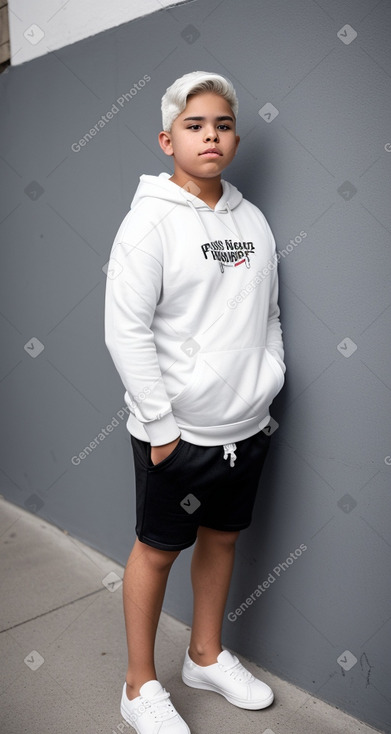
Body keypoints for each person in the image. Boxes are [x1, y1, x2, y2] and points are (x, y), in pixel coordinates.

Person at [104, 70, 286, 734]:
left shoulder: (252, 220)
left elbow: (266, 313)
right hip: (177, 431)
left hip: (246, 423)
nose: (211, 135)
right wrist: (158, 424)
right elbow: (124, 329)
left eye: (223, 124)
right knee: (157, 549)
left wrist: (267, 379)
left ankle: (204, 656)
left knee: (222, 539)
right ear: (166, 139)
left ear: (234, 138)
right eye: (194, 124)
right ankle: (138, 684)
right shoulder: (148, 223)